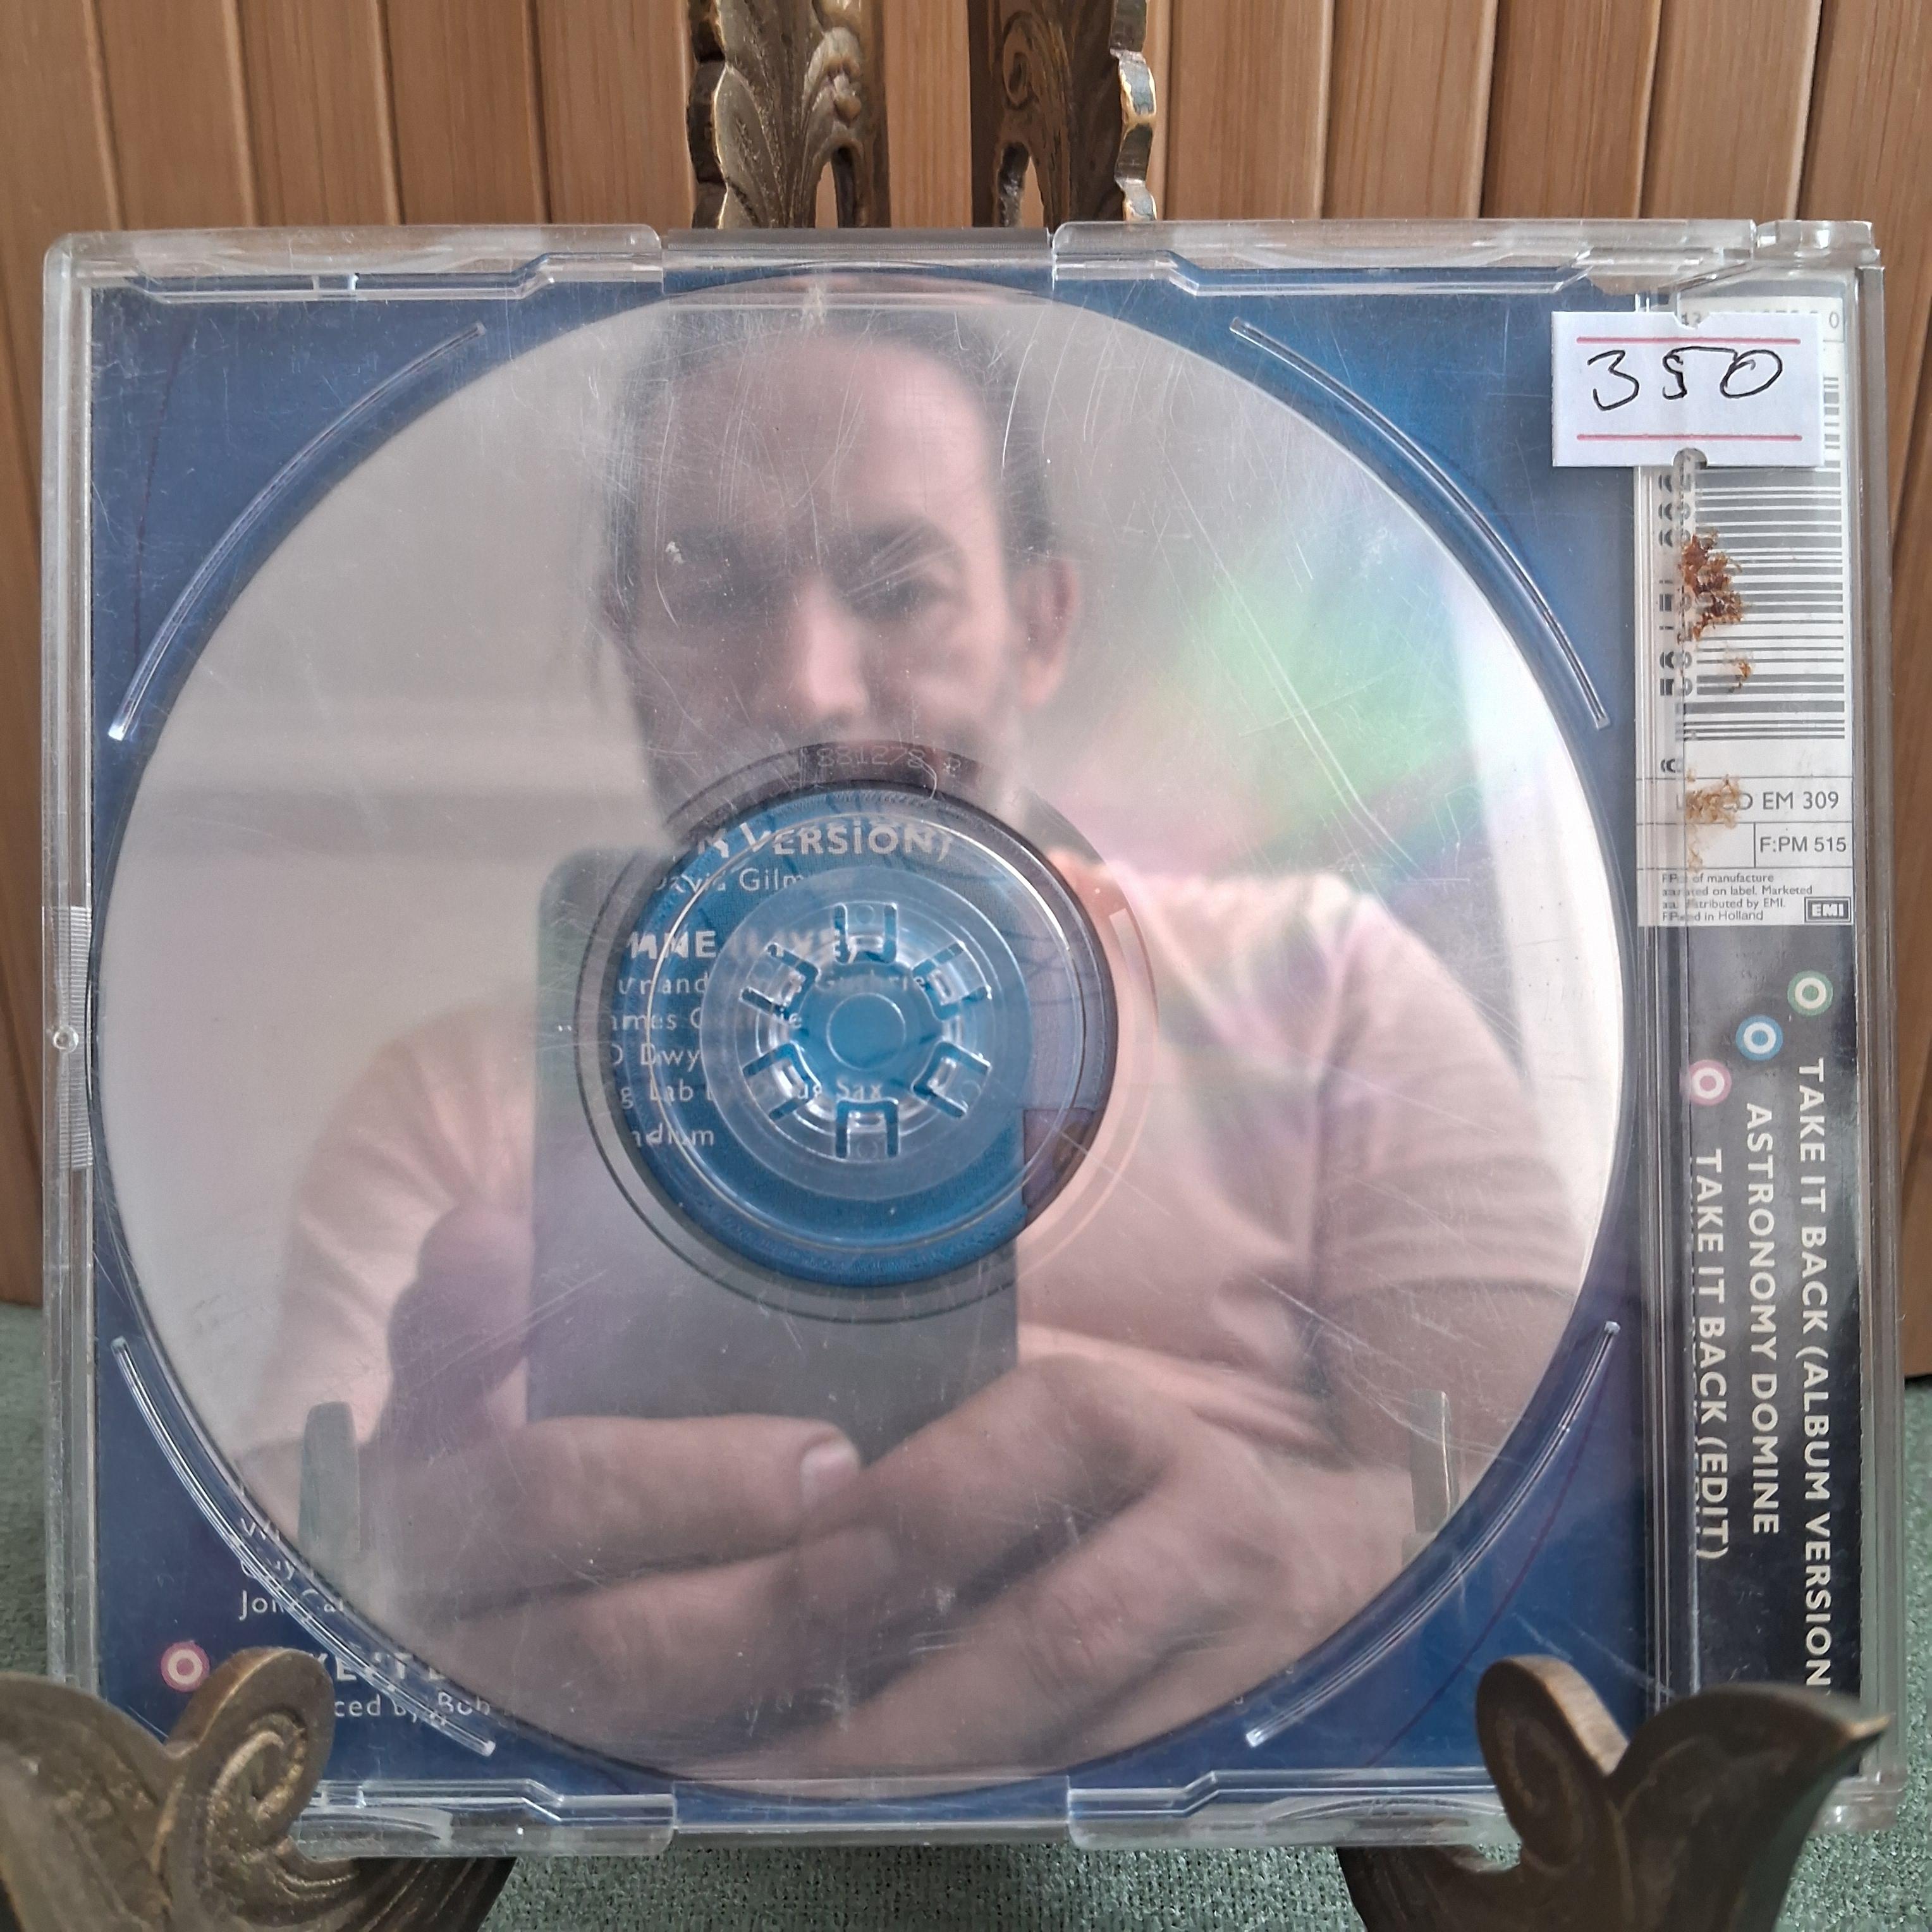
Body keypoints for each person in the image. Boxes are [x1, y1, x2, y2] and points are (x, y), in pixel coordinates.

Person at [242, 300, 1582, 1778]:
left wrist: (1315, 1569)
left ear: (1041, 624)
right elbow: (267, 1549)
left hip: (1232, 1777)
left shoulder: (1326, 978)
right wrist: (390, 1585)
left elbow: (1549, 1536)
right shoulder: (443, 1097)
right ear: (628, 637)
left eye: (900, 586)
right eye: (712, 587)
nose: (806, 684)